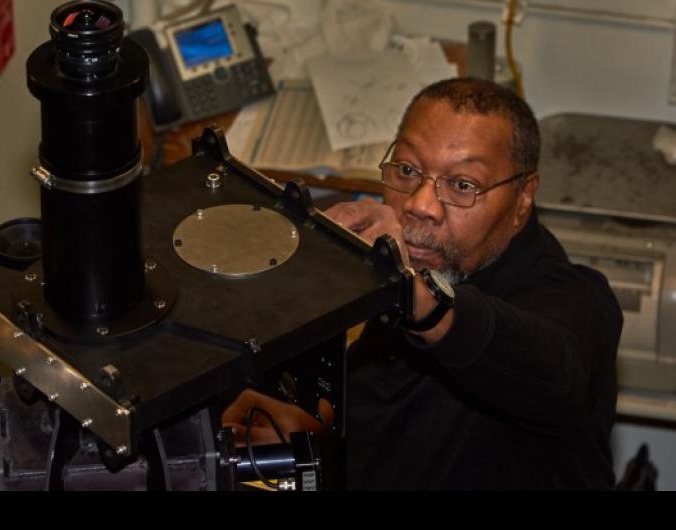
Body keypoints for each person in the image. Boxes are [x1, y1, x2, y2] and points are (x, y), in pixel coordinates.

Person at [222, 77, 623, 490]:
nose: (419, 205)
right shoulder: (417, 264)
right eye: (408, 170)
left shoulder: (579, 303)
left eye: (462, 185)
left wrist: (418, 297)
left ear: (523, 198)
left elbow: (553, 370)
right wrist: (319, 436)